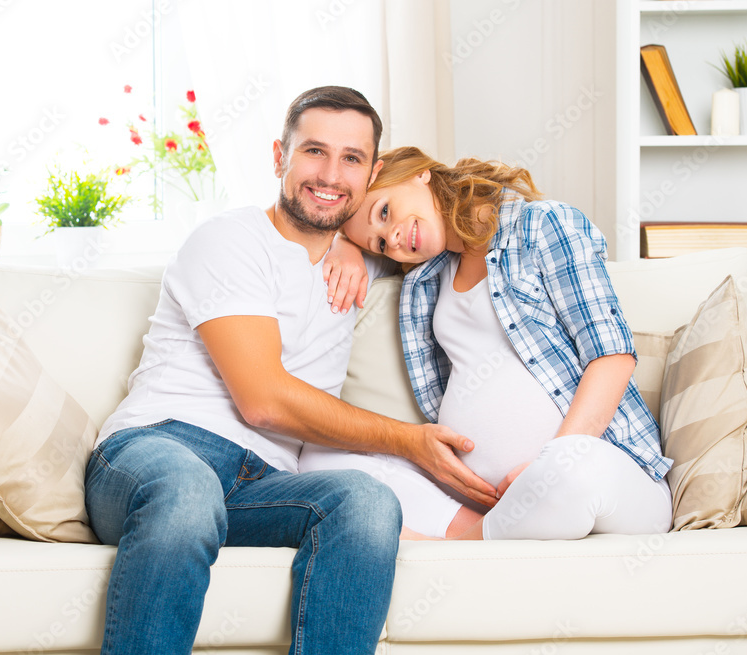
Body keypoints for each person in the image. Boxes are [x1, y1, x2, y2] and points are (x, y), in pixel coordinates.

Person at [83, 89, 498, 655]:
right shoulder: (230, 239)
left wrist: (352, 249)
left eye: (351, 159)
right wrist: (409, 441)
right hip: (154, 454)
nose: (330, 174)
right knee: (187, 493)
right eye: (313, 152)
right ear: (279, 155)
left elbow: (455, 227)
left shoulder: (368, 252)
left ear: (372, 173)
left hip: (261, 485)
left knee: (367, 502)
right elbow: (264, 402)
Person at [301, 145, 673, 541]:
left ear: (418, 173)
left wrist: (543, 468)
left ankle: (461, 546)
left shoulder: (542, 224)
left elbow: (611, 356)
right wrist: (345, 244)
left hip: (598, 475)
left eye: (385, 211)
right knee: (319, 460)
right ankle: (479, 530)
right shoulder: (428, 272)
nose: (391, 238)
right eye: (378, 243)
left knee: (570, 471)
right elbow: (329, 231)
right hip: (481, 497)